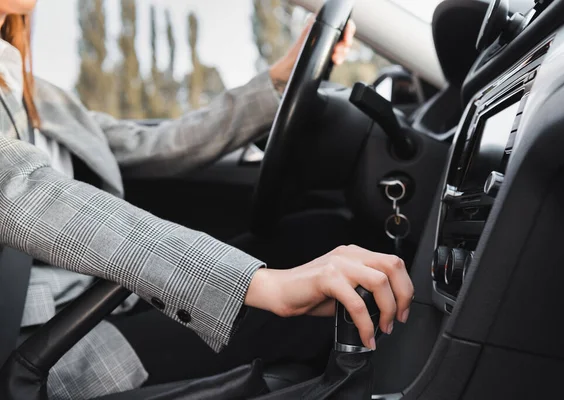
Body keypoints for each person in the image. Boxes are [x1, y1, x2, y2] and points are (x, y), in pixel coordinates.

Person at [0, 1, 414, 399]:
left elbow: (155, 143)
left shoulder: (31, 89)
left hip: (102, 299)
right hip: (48, 338)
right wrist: (263, 285)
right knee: (296, 317)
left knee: (317, 236)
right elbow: (27, 193)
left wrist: (277, 81)